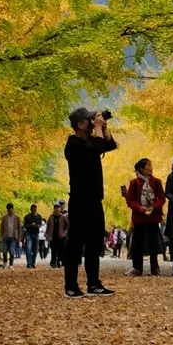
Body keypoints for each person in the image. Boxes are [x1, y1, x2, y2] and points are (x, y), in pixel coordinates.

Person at [63, 106, 117, 298]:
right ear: (81, 124)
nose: (93, 122)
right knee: (75, 243)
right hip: (79, 200)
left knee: (95, 243)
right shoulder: (73, 145)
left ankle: (93, 283)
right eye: (90, 120)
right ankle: (71, 286)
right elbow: (96, 150)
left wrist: (103, 128)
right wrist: (99, 130)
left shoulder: (91, 141)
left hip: (95, 200)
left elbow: (110, 146)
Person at [125, 158, 166, 276]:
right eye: (148, 165)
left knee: (154, 242)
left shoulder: (157, 182)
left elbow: (162, 198)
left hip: (153, 216)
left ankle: (155, 267)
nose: (151, 168)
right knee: (138, 242)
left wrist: (154, 206)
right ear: (142, 169)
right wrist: (139, 208)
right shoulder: (134, 183)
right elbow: (130, 200)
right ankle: (137, 268)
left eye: (151, 165)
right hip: (139, 217)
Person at [46, 202, 68, 268]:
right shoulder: (51, 217)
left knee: (61, 249)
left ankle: (59, 261)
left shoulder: (63, 217)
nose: (57, 209)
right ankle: (53, 262)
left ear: (60, 209)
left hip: (61, 236)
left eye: (58, 208)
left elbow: (67, 225)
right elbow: (48, 226)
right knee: (53, 249)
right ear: (54, 209)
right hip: (53, 236)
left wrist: (65, 233)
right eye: (55, 208)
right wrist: (47, 235)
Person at [0, 203, 21, 270]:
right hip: (5, 236)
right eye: (8, 210)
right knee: (4, 251)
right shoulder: (4, 217)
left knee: (12, 251)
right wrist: (0, 236)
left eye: (11, 210)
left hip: (13, 237)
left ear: (13, 209)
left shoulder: (17, 217)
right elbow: (1, 228)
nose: (9, 212)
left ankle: (11, 265)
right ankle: (5, 261)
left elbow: (19, 228)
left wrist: (19, 238)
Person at [23, 204, 42, 269]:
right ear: (31, 209)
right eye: (33, 209)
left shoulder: (39, 216)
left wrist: (37, 226)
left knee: (35, 250)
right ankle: (29, 263)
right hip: (29, 233)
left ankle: (33, 263)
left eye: (35, 209)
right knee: (28, 249)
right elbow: (25, 225)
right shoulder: (27, 217)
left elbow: (40, 224)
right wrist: (30, 225)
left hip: (36, 233)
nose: (34, 210)